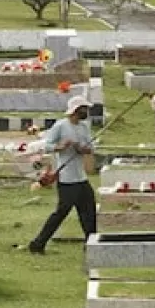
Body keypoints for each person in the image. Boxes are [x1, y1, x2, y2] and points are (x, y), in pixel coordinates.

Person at [27, 95, 97, 254]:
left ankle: (92, 245)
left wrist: (82, 149)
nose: (86, 112)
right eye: (84, 109)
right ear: (75, 110)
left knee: (89, 213)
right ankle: (38, 244)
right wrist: (61, 146)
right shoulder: (61, 126)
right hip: (67, 179)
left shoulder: (84, 127)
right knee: (61, 213)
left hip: (81, 178)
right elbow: (47, 146)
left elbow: (91, 147)